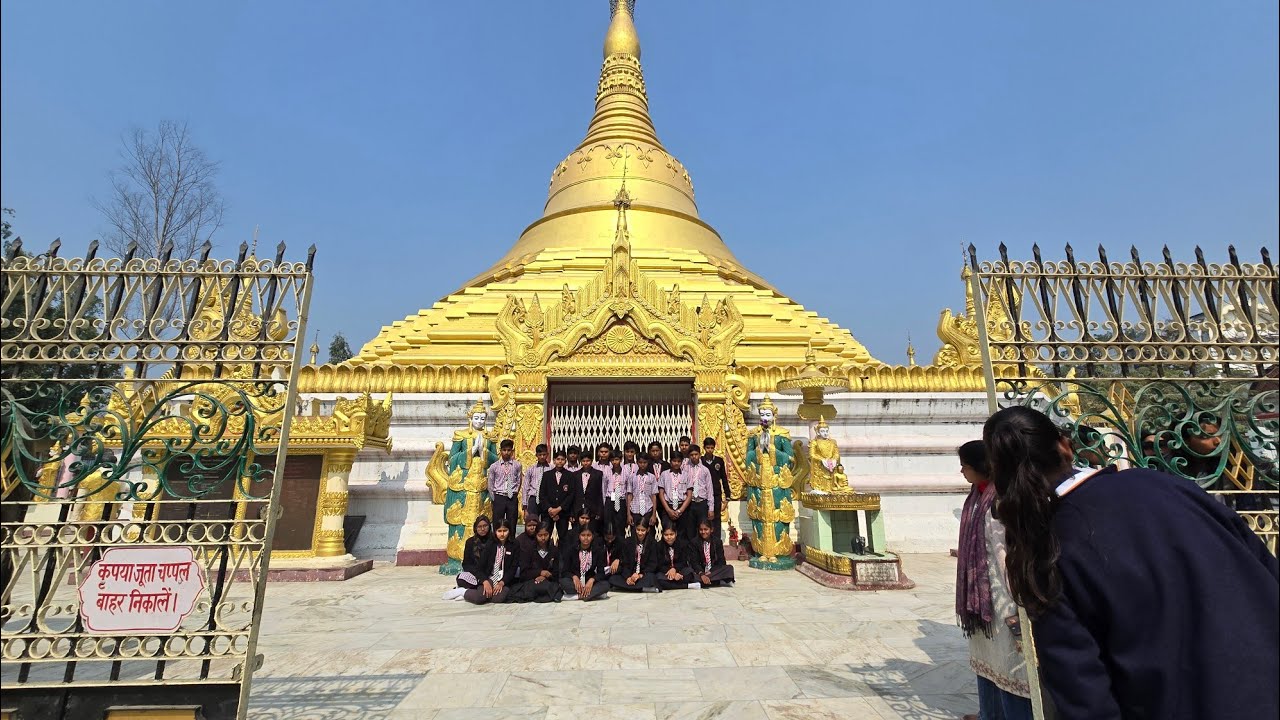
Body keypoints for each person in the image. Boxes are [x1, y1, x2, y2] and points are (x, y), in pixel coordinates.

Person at [984, 406, 1279, 719]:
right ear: (1064, 445)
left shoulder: (1048, 550)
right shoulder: (1167, 486)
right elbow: (1262, 564)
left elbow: (1083, 693)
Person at [954, 440, 1031, 720]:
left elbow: (1007, 553)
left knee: (1015, 665)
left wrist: (1018, 599)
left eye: (965, 465)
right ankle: (989, 713)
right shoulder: (976, 497)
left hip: (1005, 595)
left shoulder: (1002, 500)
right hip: (981, 596)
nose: (961, 470)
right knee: (987, 660)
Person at [464, 519, 516, 605]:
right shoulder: (491, 544)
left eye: (505, 531)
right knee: (479, 598)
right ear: (495, 531)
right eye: (499, 531)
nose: (502, 534)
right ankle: (463, 592)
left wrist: (502, 583)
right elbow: (480, 567)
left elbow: (513, 568)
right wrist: (485, 581)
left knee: (498, 598)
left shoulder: (514, 545)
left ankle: (489, 594)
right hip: (489, 577)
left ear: (509, 531)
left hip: (504, 580)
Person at [441, 515, 493, 600]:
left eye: (485, 526)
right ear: (475, 528)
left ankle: (466, 592)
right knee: (461, 578)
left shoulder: (493, 541)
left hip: (489, 574)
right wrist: (478, 575)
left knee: (485, 592)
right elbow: (466, 564)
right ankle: (466, 590)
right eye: (479, 527)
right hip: (475, 574)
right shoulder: (470, 542)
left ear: (489, 526)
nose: (483, 529)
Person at [511, 520, 561, 603]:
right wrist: (539, 572)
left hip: (549, 581)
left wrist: (545, 576)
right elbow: (524, 573)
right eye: (540, 535)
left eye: (546, 535)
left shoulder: (554, 550)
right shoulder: (528, 550)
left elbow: (557, 571)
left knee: (550, 586)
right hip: (532, 581)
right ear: (536, 535)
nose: (543, 538)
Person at [560, 522, 610, 601]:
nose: (586, 538)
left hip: (589, 583)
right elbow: (564, 571)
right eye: (583, 535)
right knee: (563, 582)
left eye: (588, 535)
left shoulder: (597, 551)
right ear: (579, 536)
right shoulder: (571, 550)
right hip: (576, 583)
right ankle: (591, 595)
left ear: (592, 536)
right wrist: (574, 577)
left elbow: (601, 573)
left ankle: (578, 596)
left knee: (606, 585)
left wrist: (592, 580)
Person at [610, 521, 659, 593]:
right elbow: (625, 563)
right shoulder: (628, 542)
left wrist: (640, 575)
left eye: (643, 530)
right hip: (631, 573)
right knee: (612, 579)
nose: (640, 533)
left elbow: (652, 564)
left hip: (643, 575)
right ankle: (639, 588)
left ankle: (629, 588)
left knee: (652, 577)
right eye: (638, 530)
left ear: (648, 530)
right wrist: (628, 577)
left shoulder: (652, 543)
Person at [646, 526, 698, 590]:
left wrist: (675, 570)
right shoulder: (658, 545)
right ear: (662, 534)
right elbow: (659, 564)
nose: (669, 537)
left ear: (676, 533)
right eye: (666, 535)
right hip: (665, 572)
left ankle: (672, 584)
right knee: (659, 580)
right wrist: (670, 572)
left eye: (671, 534)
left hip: (679, 571)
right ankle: (687, 586)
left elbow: (683, 562)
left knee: (689, 572)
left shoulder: (682, 544)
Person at [539, 450, 574, 543]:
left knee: (563, 538)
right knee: (545, 536)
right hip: (548, 513)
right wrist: (550, 509)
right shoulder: (547, 475)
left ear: (565, 461)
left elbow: (570, 495)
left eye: (562, 459)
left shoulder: (570, 475)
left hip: (562, 513)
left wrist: (559, 509)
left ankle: (562, 557)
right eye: (558, 459)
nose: (560, 461)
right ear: (554, 460)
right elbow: (542, 494)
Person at [487, 439, 523, 529]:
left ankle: (511, 542)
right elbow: (490, 484)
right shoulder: (494, 466)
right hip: (499, 497)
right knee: (497, 523)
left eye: (509, 450)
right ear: (500, 450)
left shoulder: (517, 465)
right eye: (504, 450)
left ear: (512, 451)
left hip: (512, 498)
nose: (506, 452)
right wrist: (494, 499)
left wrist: (514, 493)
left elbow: (519, 481)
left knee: (512, 523)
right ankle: (497, 542)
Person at [691, 519, 735, 588]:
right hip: (700, 572)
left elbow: (721, 561)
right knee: (689, 573)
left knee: (729, 568)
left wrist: (711, 571)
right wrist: (702, 574)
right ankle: (716, 581)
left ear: (711, 530)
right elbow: (694, 562)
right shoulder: (694, 542)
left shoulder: (717, 542)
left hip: (713, 571)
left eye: (706, 529)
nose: (703, 532)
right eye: (701, 530)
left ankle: (703, 582)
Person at [702, 437, 731, 538]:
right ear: (704, 448)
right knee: (704, 519)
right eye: (707, 448)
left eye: (711, 448)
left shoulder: (719, 461)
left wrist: (727, 495)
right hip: (703, 495)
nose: (709, 450)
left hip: (716, 494)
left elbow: (724, 478)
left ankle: (716, 542)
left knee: (716, 518)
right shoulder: (701, 461)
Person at [684, 445, 713, 542]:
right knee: (690, 530)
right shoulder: (685, 469)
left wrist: (711, 508)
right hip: (690, 503)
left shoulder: (705, 470)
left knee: (702, 529)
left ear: (700, 455)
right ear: (689, 456)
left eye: (696, 454)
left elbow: (709, 489)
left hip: (702, 503)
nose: (694, 457)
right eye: (691, 455)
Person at [658, 452, 690, 535]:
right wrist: (668, 510)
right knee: (668, 532)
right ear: (670, 461)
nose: (676, 463)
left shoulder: (686, 475)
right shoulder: (664, 474)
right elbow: (661, 494)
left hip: (681, 507)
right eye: (674, 461)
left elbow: (689, 495)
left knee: (681, 534)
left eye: (679, 461)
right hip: (668, 506)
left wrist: (680, 510)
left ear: (682, 462)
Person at [601, 451, 632, 538]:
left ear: (621, 460)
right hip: (610, 500)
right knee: (609, 526)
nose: (614, 462)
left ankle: (620, 547)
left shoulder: (625, 472)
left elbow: (628, 490)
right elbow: (604, 488)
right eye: (612, 460)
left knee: (620, 526)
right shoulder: (607, 471)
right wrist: (604, 504)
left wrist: (627, 506)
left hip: (621, 500)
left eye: (617, 459)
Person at [628, 454, 660, 534]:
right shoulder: (632, 477)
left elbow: (654, 496)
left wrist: (653, 514)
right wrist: (628, 514)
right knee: (636, 533)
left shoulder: (652, 477)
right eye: (640, 462)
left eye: (645, 462)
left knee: (649, 533)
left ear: (648, 462)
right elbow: (629, 495)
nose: (642, 464)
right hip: (635, 510)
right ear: (637, 462)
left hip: (648, 510)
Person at [573, 454, 605, 534]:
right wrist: (572, 513)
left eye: (588, 461)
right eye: (583, 461)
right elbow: (573, 495)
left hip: (593, 510)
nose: (586, 463)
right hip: (578, 509)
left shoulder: (598, 474)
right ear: (580, 462)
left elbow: (600, 494)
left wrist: (599, 511)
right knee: (578, 532)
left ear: (591, 461)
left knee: (592, 532)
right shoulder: (575, 475)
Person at [521, 443, 551, 523]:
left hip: (546, 499)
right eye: (540, 455)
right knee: (532, 522)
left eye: (544, 454)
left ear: (547, 454)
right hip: (534, 498)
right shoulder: (531, 469)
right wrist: (525, 506)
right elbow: (525, 488)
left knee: (546, 523)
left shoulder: (551, 468)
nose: (542, 457)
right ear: (536, 455)